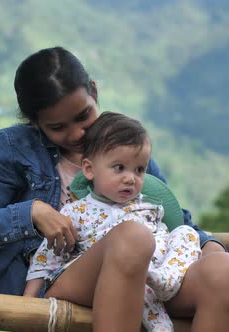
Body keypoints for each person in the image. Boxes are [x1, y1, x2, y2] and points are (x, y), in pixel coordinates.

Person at [0, 46, 229, 331]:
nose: (76, 133)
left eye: (83, 116)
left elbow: (170, 214)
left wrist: (209, 245)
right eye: (57, 127)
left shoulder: (123, 144)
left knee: (224, 270)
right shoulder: (14, 149)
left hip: (148, 280)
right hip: (60, 280)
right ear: (34, 122)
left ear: (94, 92)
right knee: (133, 237)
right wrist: (32, 213)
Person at [25, 112, 202, 331]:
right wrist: (29, 300)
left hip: (154, 276)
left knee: (186, 232)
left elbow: (170, 243)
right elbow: (45, 258)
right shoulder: (76, 211)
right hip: (100, 276)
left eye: (139, 170)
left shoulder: (149, 208)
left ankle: (167, 279)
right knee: (135, 243)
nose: (131, 178)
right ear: (89, 169)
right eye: (119, 168)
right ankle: (159, 318)